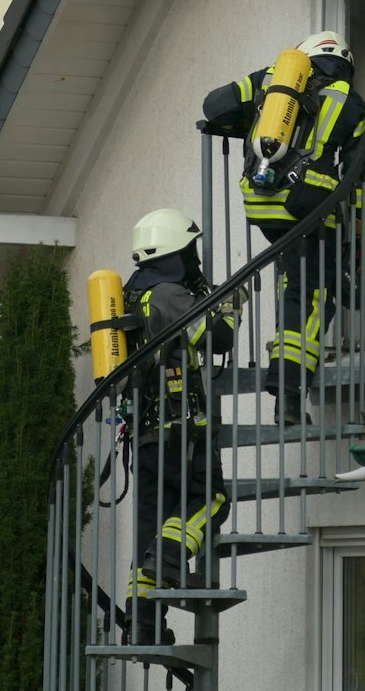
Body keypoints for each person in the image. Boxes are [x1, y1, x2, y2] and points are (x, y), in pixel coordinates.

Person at [199, 31, 365, 426]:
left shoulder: (273, 80)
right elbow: (362, 175)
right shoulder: (354, 104)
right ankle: (289, 400)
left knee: (297, 286)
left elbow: (214, 106)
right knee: (312, 298)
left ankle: (289, 392)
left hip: (263, 206)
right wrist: (360, 226)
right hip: (311, 210)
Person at [120, 208, 241, 647]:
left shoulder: (133, 293)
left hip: (146, 436)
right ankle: (169, 559)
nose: (194, 259)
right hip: (181, 431)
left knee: (152, 527)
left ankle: (144, 622)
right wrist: (227, 303)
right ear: (174, 251)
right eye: (190, 250)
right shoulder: (168, 294)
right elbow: (216, 337)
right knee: (211, 498)